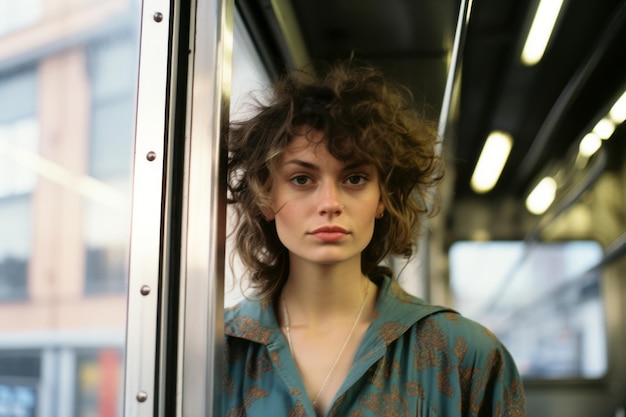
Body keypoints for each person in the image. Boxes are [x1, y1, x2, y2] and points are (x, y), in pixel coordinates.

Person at [223, 60, 526, 417]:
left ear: (382, 198)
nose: (330, 204)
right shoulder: (214, 351)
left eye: (354, 179)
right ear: (266, 197)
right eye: (302, 179)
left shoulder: (464, 354)